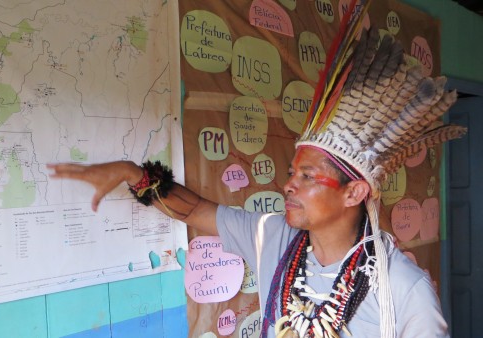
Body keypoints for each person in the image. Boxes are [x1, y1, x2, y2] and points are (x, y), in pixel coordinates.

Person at [48, 1, 466, 336]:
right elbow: (194, 211)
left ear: (354, 192)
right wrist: (129, 172)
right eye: (292, 173)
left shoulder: (401, 290)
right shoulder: (275, 236)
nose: (289, 185)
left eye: (306, 177)